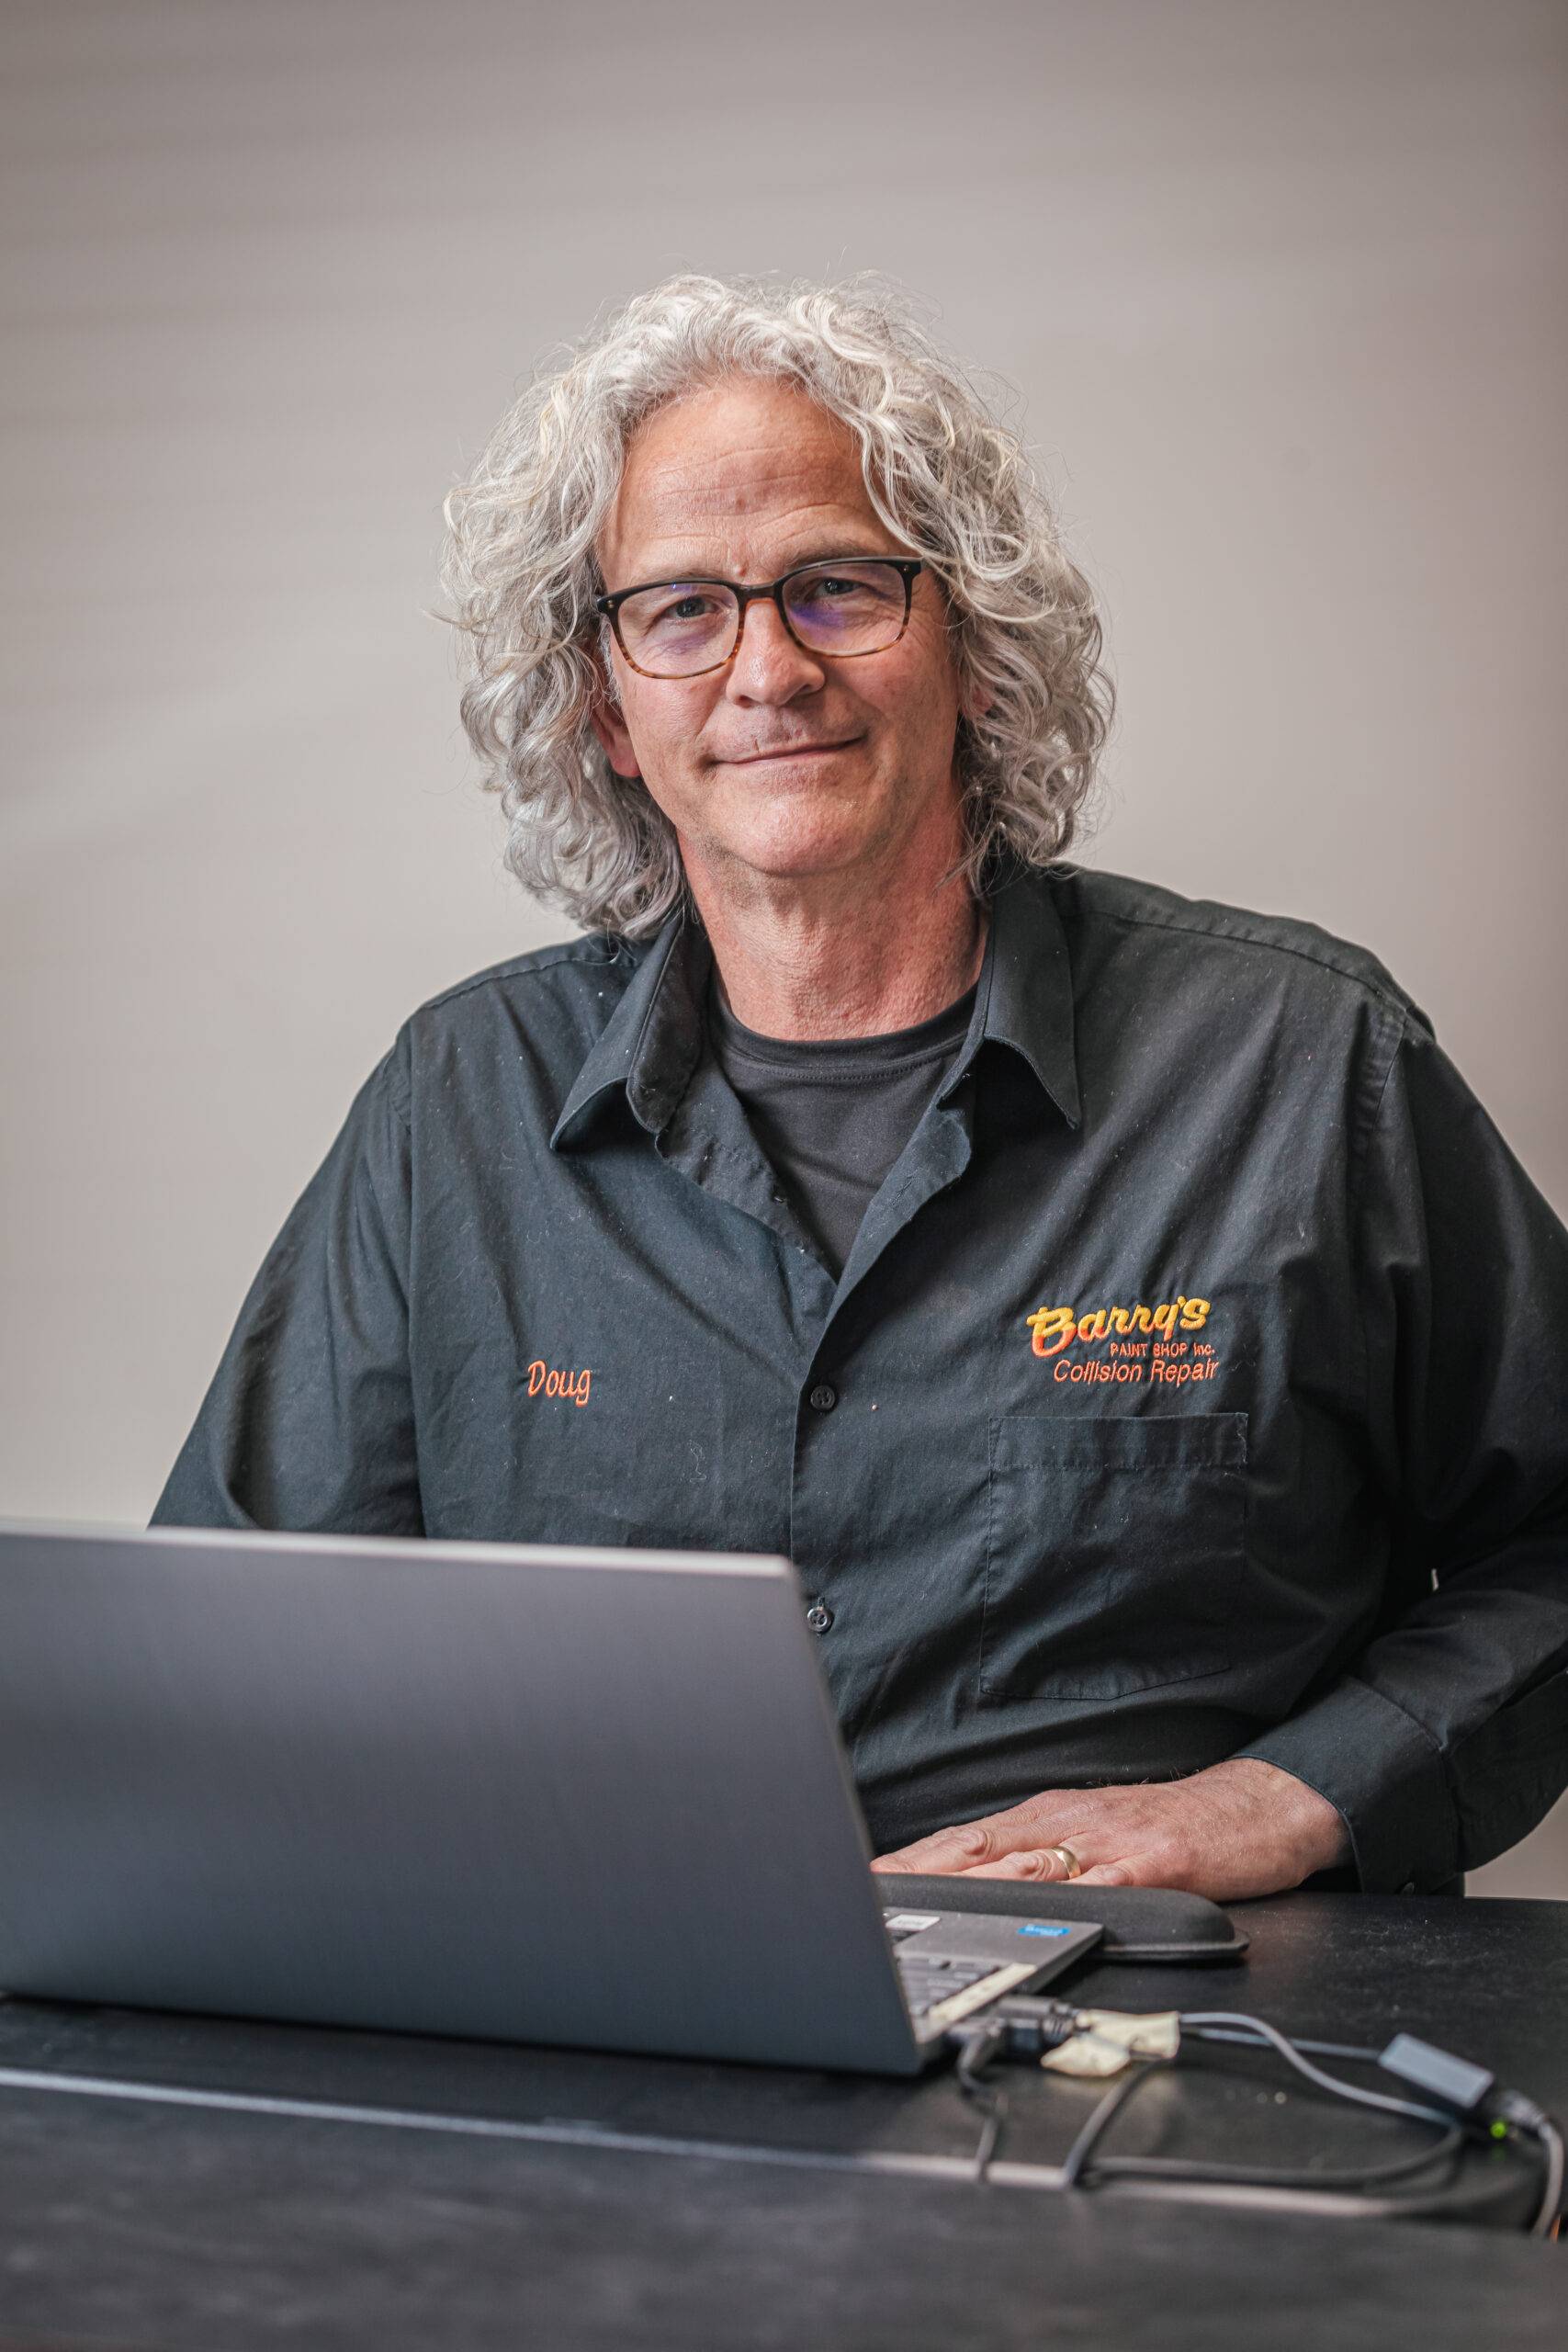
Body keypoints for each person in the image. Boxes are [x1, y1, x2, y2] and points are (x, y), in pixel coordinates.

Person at [152, 273, 1568, 1904]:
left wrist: (1283, 1801)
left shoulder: (1301, 1066)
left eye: (836, 587)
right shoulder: (457, 1110)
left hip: (1166, 2036)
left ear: (973, 646)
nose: (766, 670)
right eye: (681, 610)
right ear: (607, 710)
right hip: (616, 2021)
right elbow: (224, 1654)